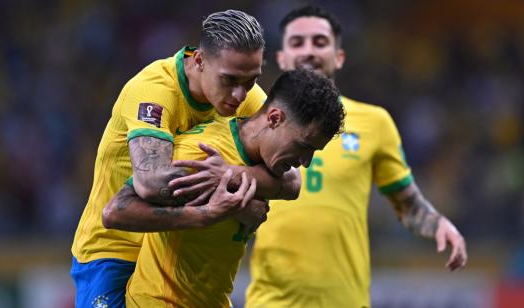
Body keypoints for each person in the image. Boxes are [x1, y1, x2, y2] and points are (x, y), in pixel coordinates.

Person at [70, 10, 301, 308]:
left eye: (251, 80)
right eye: (229, 80)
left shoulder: (247, 96)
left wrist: (228, 174)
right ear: (200, 61)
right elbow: (150, 182)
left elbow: (291, 180)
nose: (240, 94)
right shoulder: (153, 91)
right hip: (115, 246)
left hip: (174, 250)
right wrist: (229, 205)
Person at [246, 6, 468, 308]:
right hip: (270, 301)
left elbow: (406, 203)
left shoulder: (374, 122)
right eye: (297, 42)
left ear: (339, 56)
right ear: (282, 57)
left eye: (320, 42)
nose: (308, 51)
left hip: (346, 301)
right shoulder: (256, 117)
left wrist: (438, 223)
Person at [102, 69, 346, 307]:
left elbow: (294, 188)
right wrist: (206, 215)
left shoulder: (266, 168)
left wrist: (229, 177)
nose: (306, 161)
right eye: (303, 146)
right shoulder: (201, 152)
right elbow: (116, 212)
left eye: (314, 151)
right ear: (274, 118)